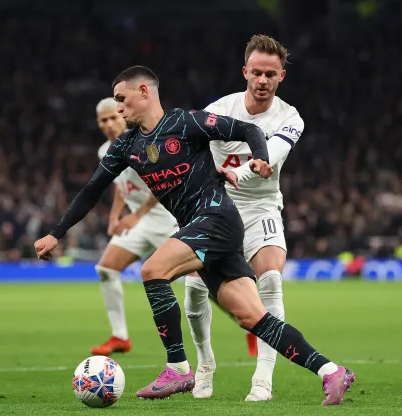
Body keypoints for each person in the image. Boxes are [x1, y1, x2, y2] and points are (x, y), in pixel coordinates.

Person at [34, 66, 355, 405]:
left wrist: (261, 159)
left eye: (122, 99)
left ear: (144, 92)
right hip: (204, 230)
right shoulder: (126, 146)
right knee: (253, 318)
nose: (119, 109)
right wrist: (57, 233)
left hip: (217, 217)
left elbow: (247, 129)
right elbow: (90, 190)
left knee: (152, 270)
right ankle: (331, 372)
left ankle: (178, 367)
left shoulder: (185, 123)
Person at [185, 34, 303, 401]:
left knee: (269, 278)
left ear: (281, 75)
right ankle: (205, 363)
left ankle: (262, 380)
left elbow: (273, 154)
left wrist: (241, 174)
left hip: (260, 207)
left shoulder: (290, 117)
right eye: (257, 73)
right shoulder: (220, 109)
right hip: (214, 205)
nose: (263, 81)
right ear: (245, 72)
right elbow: (191, 146)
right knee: (192, 290)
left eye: (271, 74)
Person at [90, 97, 180, 355]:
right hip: (139, 222)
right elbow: (121, 185)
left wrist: (137, 215)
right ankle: (120, 337)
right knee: (106, 268)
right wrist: (114, 216)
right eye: (102, 120)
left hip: (166, 218)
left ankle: (249, 327)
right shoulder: (103, 151)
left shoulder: (144, 142)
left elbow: (165, 181)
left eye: (112, 118)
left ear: (122, 115)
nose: (108, 124)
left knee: (205, 282)